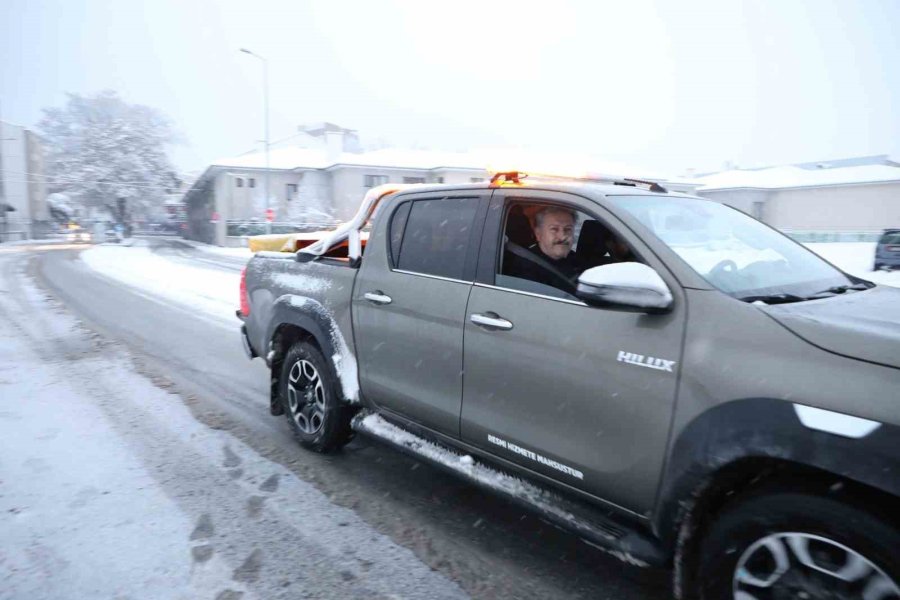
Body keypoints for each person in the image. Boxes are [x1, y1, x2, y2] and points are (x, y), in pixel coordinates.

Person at [505, 206, 585, 290]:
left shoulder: (577, 260)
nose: (562, 237)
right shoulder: (525, 268)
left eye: (568, 229)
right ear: (538, 234)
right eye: (554, 229)